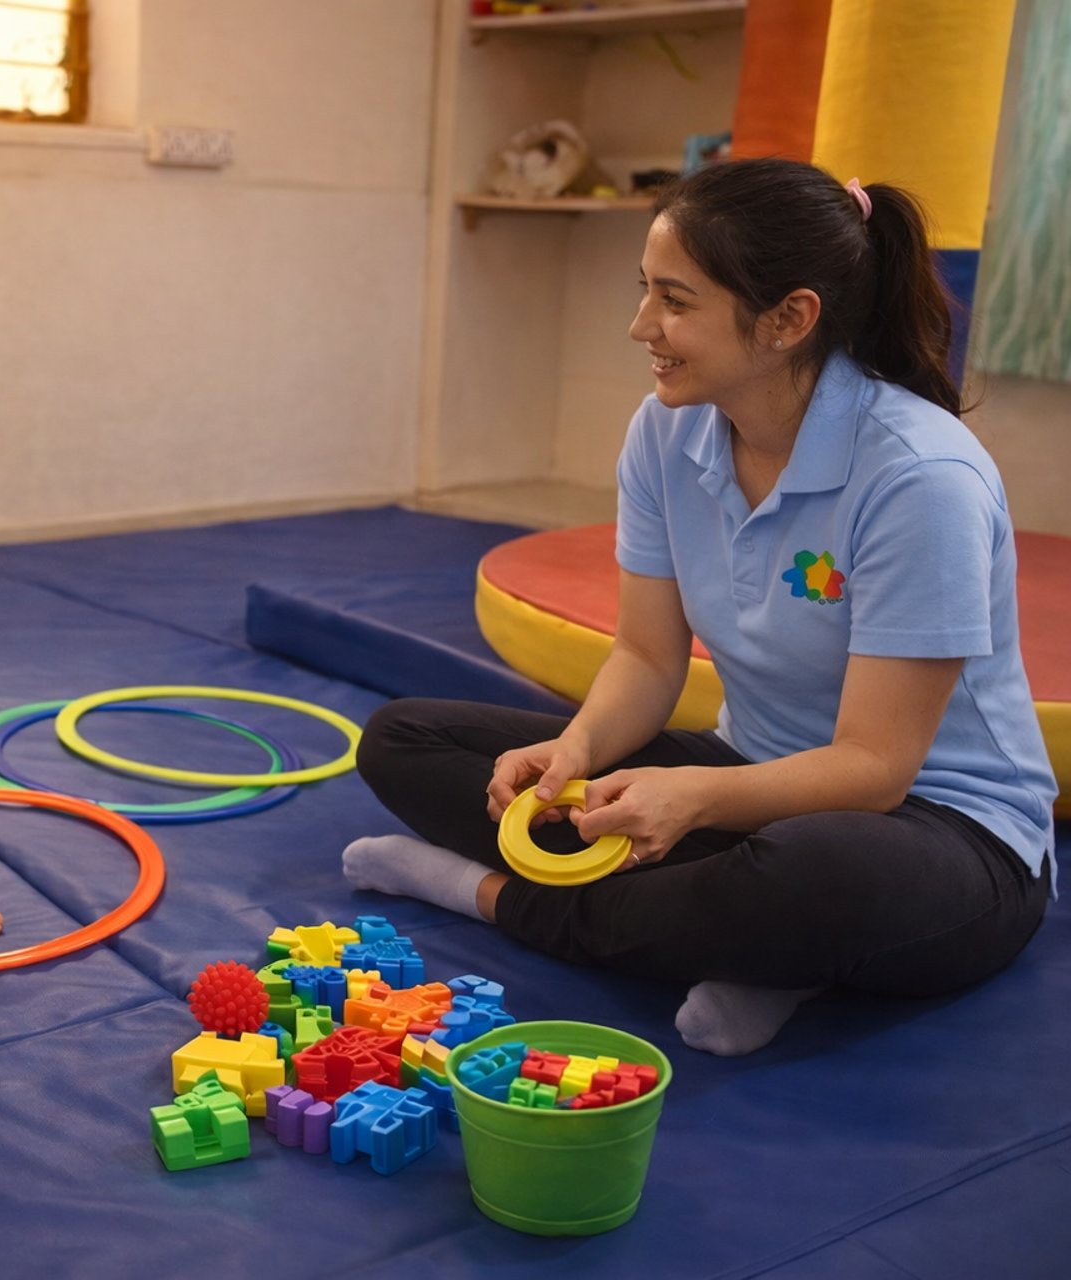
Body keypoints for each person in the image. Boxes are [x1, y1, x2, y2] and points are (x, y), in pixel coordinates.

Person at [345, 157, 1057, 1056]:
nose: (642, 325)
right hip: (750, 775)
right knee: (406, 739)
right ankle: (760, 951)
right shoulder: (666, 428)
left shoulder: (922, 478)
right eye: (645, 291)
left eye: (675, 301)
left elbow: (875, 768)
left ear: (789, 319)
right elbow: (646, 659)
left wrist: (697, 798)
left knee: (813, 873)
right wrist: (578, 751)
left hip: (939, 828)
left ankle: (483, 894)